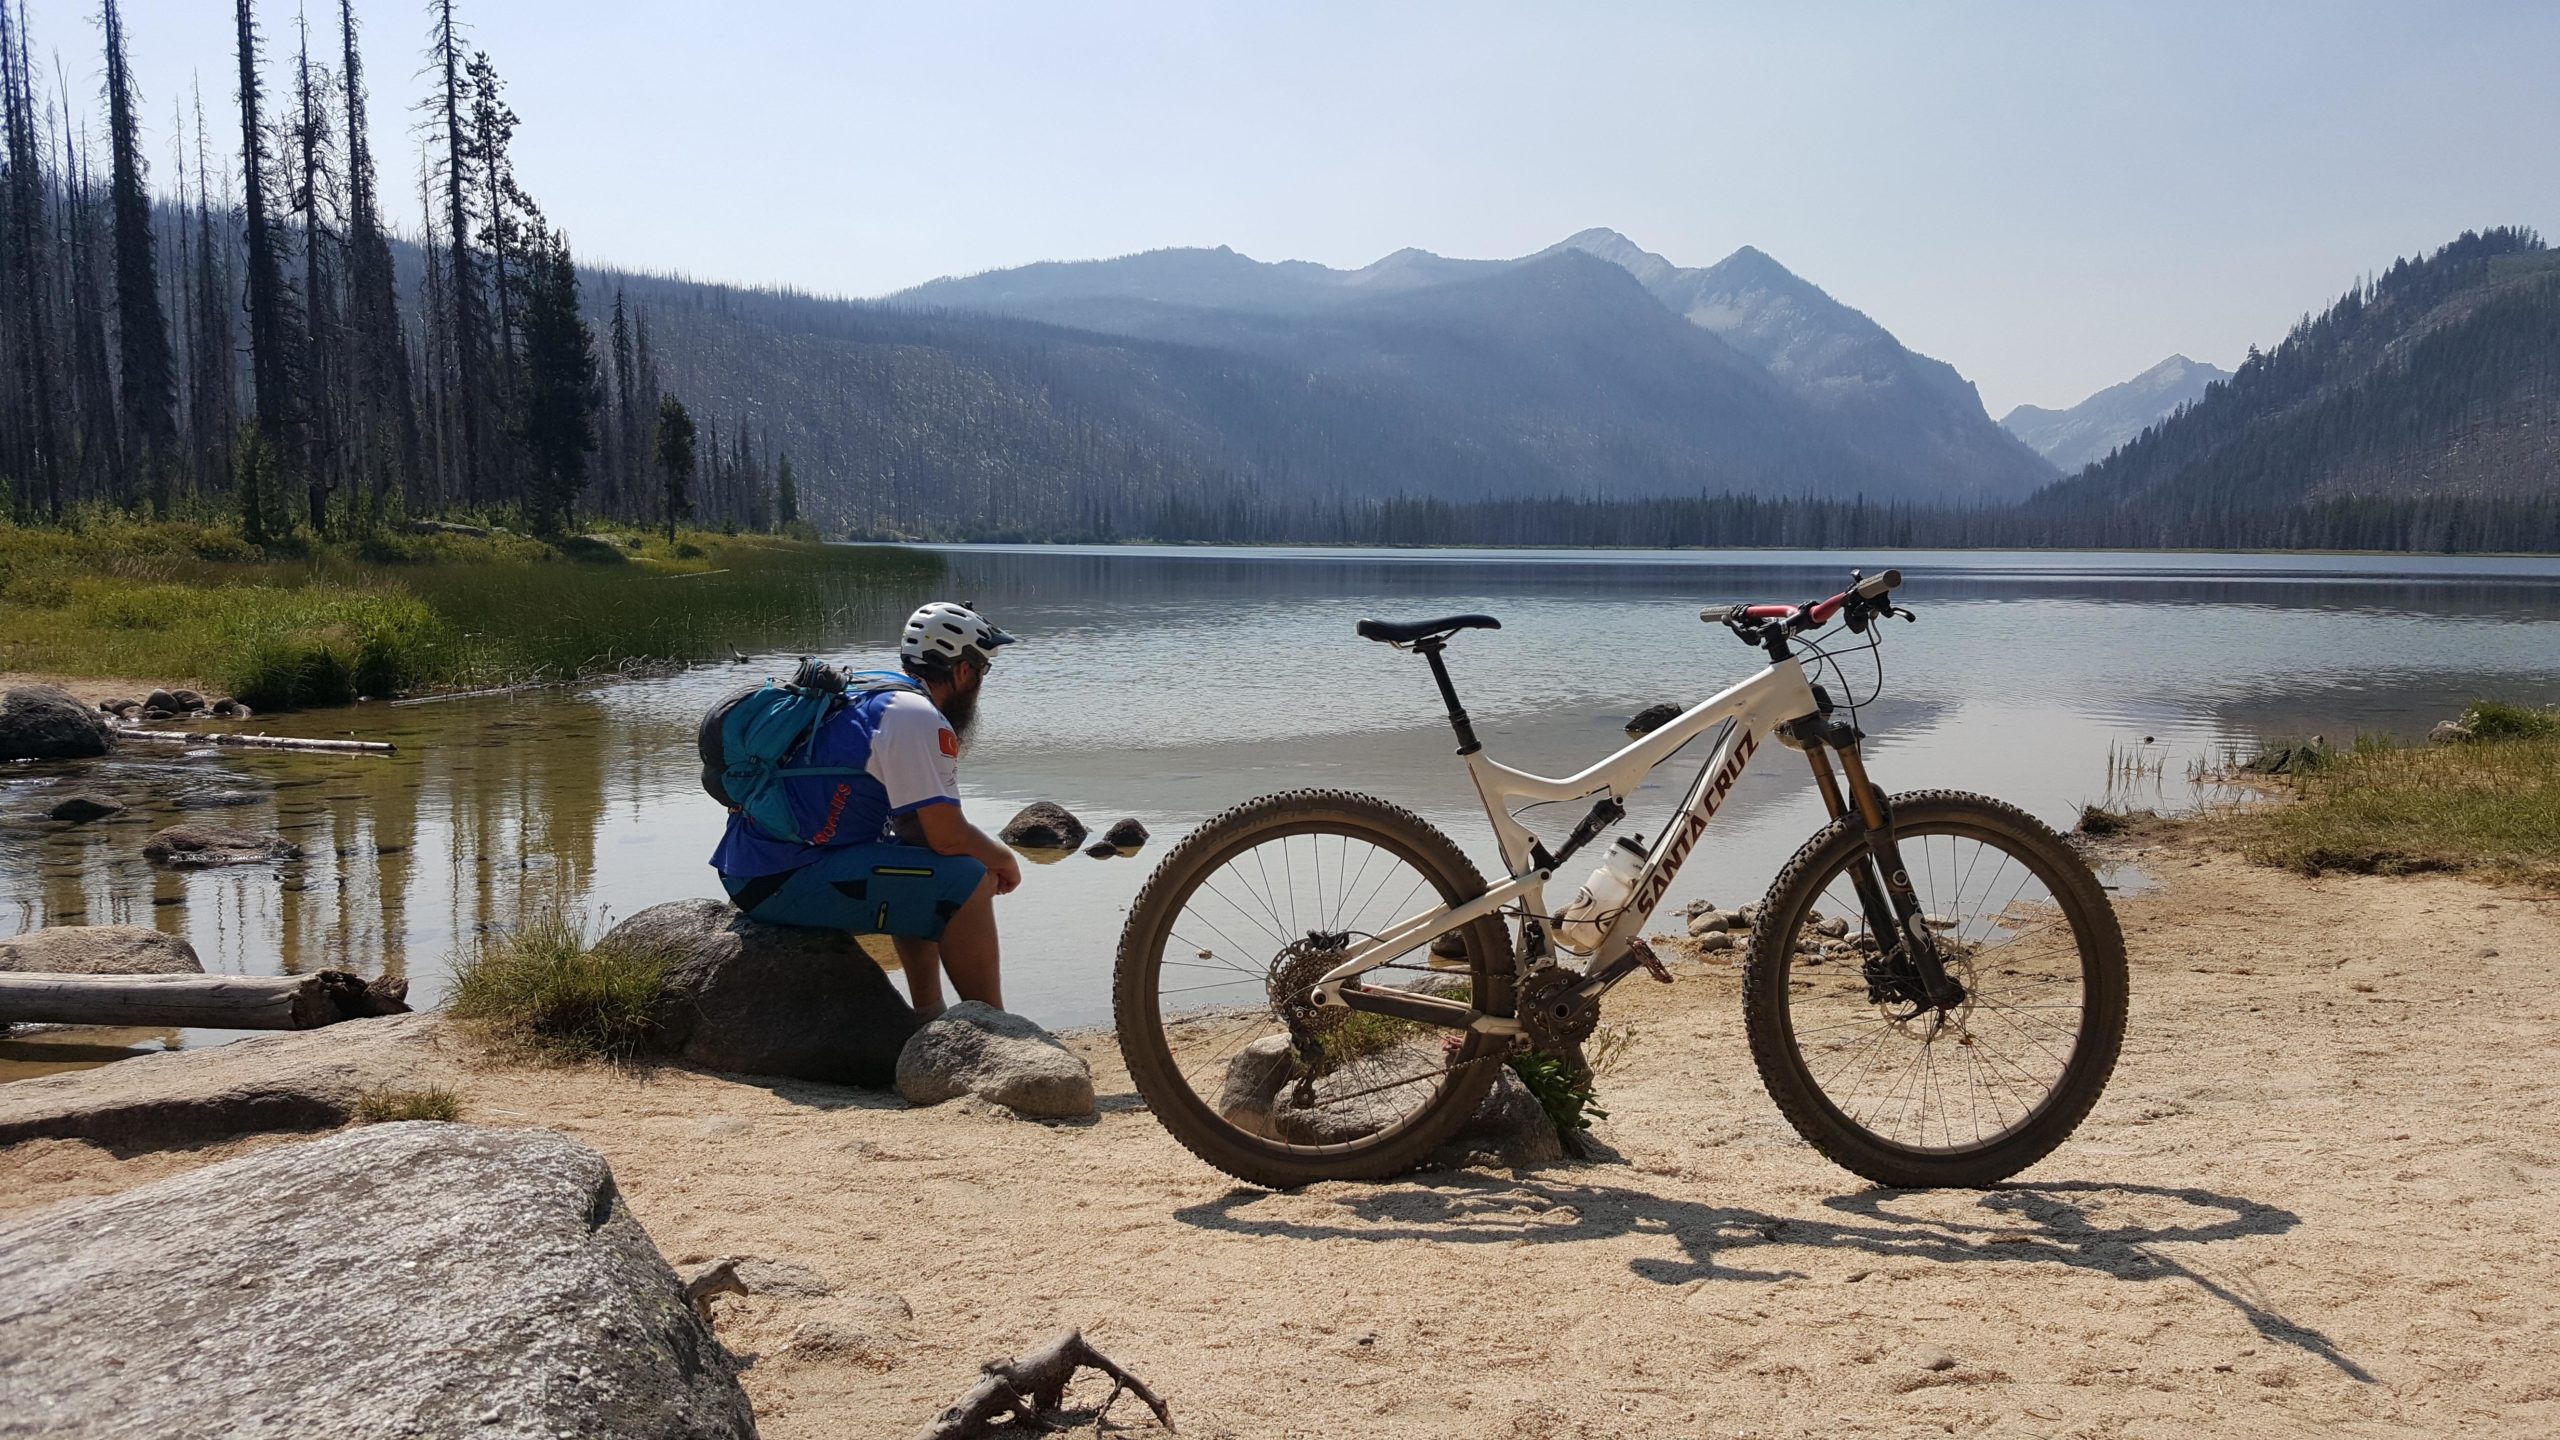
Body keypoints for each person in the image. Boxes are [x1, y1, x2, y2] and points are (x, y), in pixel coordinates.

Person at [710, 602, 1022, 1018]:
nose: (981, 682)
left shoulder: (877, 690)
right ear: (963, 670)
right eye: (982, 670)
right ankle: (996, 1029)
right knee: (967, 879)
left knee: (924, 868)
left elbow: (918, 830)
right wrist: (1003, 859)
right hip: (779, 877)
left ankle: (927, 1017)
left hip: (759, 865)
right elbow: (948, 837)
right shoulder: (917, 718)